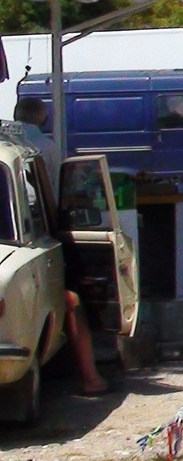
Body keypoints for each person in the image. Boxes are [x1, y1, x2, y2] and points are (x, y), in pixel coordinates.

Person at [13, 98, 106, 393]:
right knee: (71, 301)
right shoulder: (46, 146)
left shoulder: (9, 145)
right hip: (37, 228)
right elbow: (56, 187)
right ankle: (90, 378)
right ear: (43, 118)